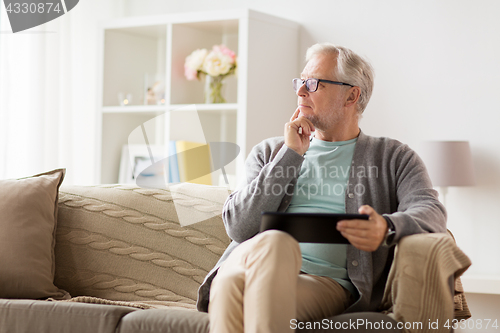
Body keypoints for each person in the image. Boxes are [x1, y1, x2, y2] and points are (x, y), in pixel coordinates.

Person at [196, 43, 447, 333]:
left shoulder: (393, 157)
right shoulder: (268, 152)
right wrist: (289, 155)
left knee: (239, 281)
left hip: (323, 285)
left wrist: (386, 227)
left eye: (314, 83)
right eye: (300, 82)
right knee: (264, 252)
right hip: (245, 265)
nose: (301, 91)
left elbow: (431, 213)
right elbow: (239, 227)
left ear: (352, 95)